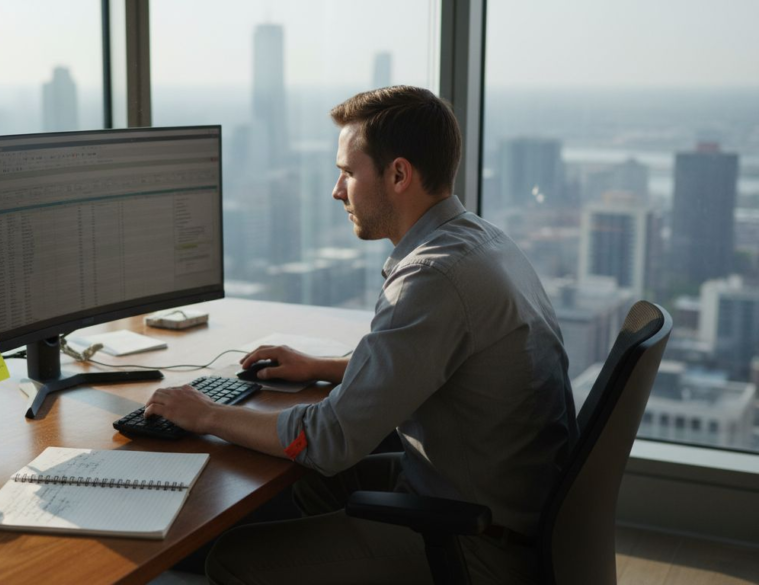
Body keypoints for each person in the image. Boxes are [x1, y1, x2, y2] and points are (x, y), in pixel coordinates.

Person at [144, 86, 579, 584]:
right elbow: (427, 363)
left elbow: (330, 439)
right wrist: (321, 367)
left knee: (232, 560)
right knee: (311, 486)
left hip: (476, 541)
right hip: (500, 503)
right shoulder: (481, 241)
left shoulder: (433, 277)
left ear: (398, 175)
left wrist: (206, 413)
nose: (337, 190)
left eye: (348, 173)